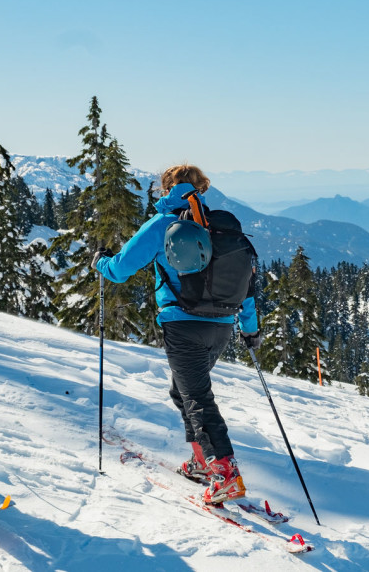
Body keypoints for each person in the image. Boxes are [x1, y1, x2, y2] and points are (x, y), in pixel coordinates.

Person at [95, 164, 259, 504]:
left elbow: (120, 270)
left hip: (183, 325)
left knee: (196, 397)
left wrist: (100, 261)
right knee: (182, 391)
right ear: (202, 188)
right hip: (222, 326)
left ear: (166, 187)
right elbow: (246, 284)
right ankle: (203, 462)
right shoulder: (218, 227)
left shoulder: (162, 224)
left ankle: (225, 471)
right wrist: (250, 329)